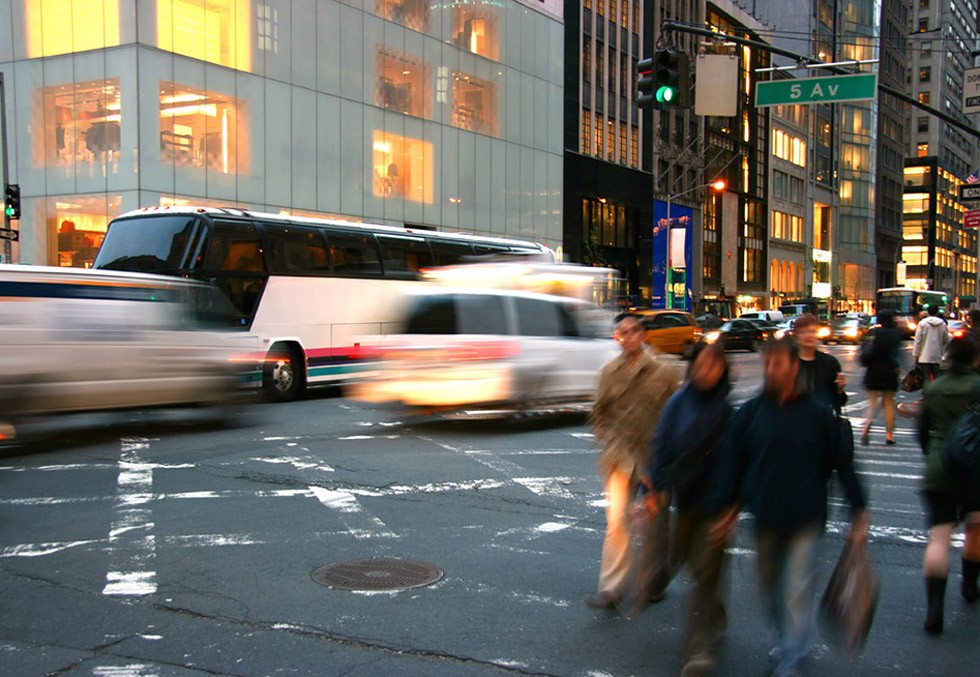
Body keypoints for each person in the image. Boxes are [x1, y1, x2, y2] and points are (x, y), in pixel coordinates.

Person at [709, 338, 869, 677]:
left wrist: (858, 509)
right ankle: (788, 639)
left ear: (794, 367)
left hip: (805, 516)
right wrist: (728, 508)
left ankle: (791, 657)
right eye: (767, 363)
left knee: (796, 588)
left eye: (777, 364)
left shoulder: (817, 413)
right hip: (765, 516)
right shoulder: (751, 413)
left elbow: (841, 462)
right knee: (770, 587)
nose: (770, 370)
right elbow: (732, 463)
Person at [645, 342, 732, 677]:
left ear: (723, 369)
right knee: (692, 565)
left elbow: (735, 463)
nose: (705, 371)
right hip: (684, 502)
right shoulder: (678, 403)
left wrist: (731, 510)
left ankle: (699, 649)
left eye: (713, 365)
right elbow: (660, 446)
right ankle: (715, 618)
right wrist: (650, 489)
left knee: (706, 575)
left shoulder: (727, 411)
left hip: (715, 506)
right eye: (700, 364)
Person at [587, 315, 679, 610]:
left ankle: (655, 582)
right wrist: (609, 441)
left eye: (633, 331)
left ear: (644, 335)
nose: (627, 337)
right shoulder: (608, 372)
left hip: (655, 459)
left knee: (657, 525)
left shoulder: (664, 372)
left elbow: (676, 415)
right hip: (620, 457)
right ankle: (611, 589)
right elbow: (599, 412)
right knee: (616, 523)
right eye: (622, 332)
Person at [918, 337, 980, 634]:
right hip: (975, 469)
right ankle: (969, 586)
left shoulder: (934, 387)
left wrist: (933, 453)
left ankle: (933, 611)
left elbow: (922, 431)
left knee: (939, 539)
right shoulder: (978, 386)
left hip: (940, 465)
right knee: (975, 529)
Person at [860, 310, 902, 446]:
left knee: (872, 402)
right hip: (890, 370)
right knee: (889, 403)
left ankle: (866, 426)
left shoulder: (874, 333)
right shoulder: (896, 334)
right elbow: (897, 355)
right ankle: (889, 435)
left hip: (874, 370)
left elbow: (865, 350)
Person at [792, 313, 847, 414]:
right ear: (796, 335)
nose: (809, 336)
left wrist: (840, 389)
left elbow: (840, 400)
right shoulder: (787, 363)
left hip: (823, 422)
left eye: (813, 332)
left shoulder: (830, 362)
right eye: (804, 332)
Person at [913, 304, 950, 383]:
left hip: (924, 356)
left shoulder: (922, 323)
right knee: (937, 378)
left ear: (928, 312)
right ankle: (936, 393)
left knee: (926, 378)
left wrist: (916, 354)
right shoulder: (942, 324)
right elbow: (946, 339)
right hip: (937, 355)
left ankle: (927, 393)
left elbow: (918, 340)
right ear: (937, 312)